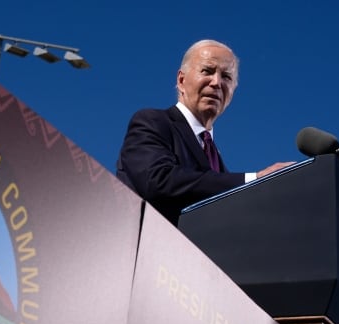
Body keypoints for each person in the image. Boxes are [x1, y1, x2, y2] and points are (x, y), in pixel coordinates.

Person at [116, 39, 294, 225]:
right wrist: (254, 180)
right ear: (181, 80)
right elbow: (157, 181)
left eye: (226, 76)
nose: (216, 82)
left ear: (233, 90)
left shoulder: (217, 160)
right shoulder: (153, 122)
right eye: (207, 71)